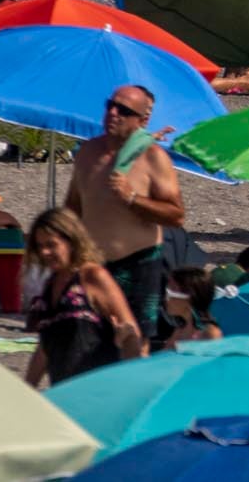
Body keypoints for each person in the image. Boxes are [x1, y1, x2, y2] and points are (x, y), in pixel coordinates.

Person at [64, 85, 186, 349]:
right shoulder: (88, 152)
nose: (113, 113)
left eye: (124, 110)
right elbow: (73, 207)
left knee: (135, 343)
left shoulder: (153, 158)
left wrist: (132, 198)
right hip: (92, 263)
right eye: (110, 105)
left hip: (138, 263)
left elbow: (176, 216)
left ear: (143, 120)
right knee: (86, 342)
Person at [23, 207, 145, 386]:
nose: (44, 252)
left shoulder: (93, 277)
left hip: (100, 389)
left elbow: (130, 332)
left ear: (72, 241)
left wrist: (132, 386)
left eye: (51, 245)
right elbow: (45, 346)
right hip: (64, 392)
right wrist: (27, 389)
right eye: (40, 246)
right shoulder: (50, 284)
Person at [163, 267, 225, 346]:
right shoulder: (180, 329)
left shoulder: (210, 333)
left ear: (190, 297)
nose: (165, 299)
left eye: (170, 293)